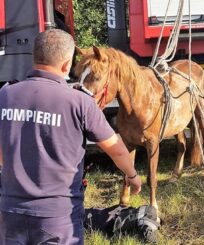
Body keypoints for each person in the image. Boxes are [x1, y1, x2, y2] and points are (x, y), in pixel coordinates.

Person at [0, 29, 141, 245]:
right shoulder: (80, 102)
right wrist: (132, 175)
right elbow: (116, 148)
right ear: (66, 65)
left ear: (34, 57)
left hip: (11, 214)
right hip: (58, 219)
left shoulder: (6, 94)